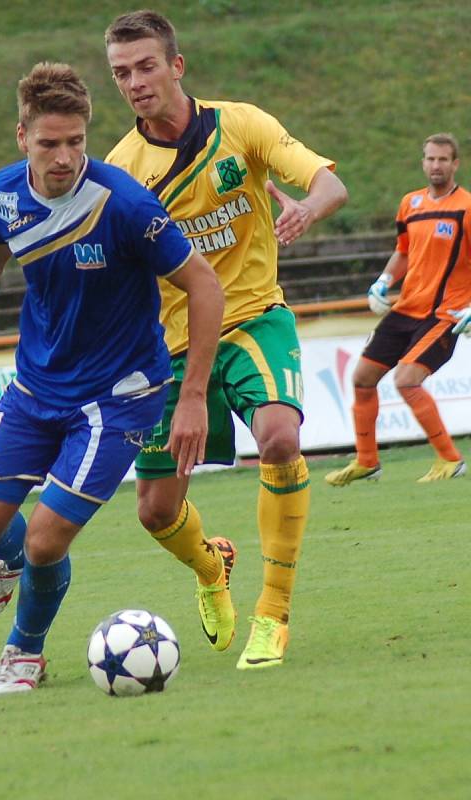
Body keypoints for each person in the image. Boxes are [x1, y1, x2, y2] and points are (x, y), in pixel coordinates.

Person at [0, 61, 224, 696]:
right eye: (49, 143)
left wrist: (191, 395)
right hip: (37, 389)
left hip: (120, 401)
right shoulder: (3, 195)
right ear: (21, 137)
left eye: (76, 142)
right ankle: (10, 563)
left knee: (45, 537)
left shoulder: (125, 205)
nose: (64, 157)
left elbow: (203, 284)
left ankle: (23, 654)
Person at [104, 11, 348, 670]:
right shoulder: (120, 172)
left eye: (146, 65)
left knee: (280, 438)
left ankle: (273, 614)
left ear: (176, 66)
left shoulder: (241, 124)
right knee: (156, 512)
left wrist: (305, 207)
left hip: (254, 317)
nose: (135, 82)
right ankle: (212, 569)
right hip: (172, 349)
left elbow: (329, 181)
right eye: (122, 72)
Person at [325, 132, 471, 487]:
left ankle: (450, 460)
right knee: (361, 379)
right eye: (430, 159)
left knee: (406, 380)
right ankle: (366, 462)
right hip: (406, 308)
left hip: (444, 315)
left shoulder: (466, 207)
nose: (435, 165)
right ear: (423, 162)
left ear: (455, 164)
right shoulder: (411, 204)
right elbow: (404, 250)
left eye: (442, 159)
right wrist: (383, 280)